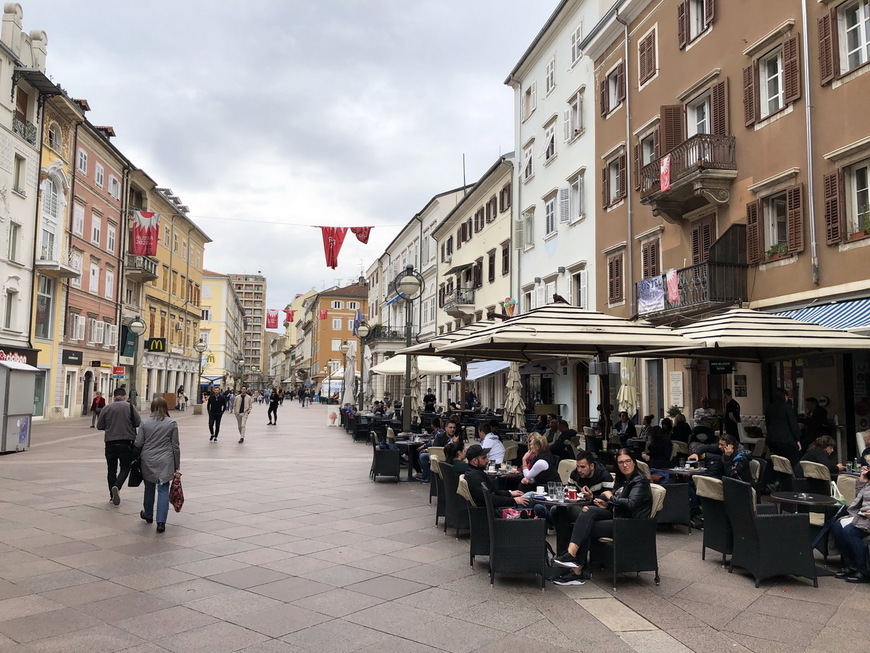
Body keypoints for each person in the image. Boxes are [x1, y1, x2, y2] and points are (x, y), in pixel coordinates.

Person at [552, 449, 652, 585]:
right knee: (588, 511)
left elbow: (631, 504)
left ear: (634, 462)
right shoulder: (623, 479)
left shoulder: (640, 481)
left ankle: (576, 568)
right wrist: (604, 502)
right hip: (617, 515)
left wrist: (611, 498)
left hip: (630, 523)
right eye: (621, 462)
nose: (625, 465)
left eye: (628, 461)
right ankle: (571, 556)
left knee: (588, 526)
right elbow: (618, 501)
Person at [135, 396, 180, 534]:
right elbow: (175, 446)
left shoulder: (145, 423)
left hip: (148, 460)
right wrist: (176, 465)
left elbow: (138, 443)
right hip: (165, 461)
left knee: (149, 488)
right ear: (166, 408)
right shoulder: (171, 423)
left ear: (152, 407)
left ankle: (148, 514)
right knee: (162, 490)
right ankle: (161, 522)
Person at [97, 387, 141, 506]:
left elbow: (99, 426)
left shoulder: (107, 408)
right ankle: (117, 486)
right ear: (124, 396)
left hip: (110, 442)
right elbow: (138, 423)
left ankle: (112, 495)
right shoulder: (130, 407)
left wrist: (110, 425)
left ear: (114, 396)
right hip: (126, 443)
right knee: (125, 467)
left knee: (111, 469)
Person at [832, 464, 870, 583]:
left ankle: (863, 570)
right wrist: (862, 482)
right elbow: (860, 499)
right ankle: (851, 565)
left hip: (866, 518)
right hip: (863, 515)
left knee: (850, 531)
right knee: (837, 526)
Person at [463, 444, 530, 509]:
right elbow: (491, 499)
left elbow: (494, 492)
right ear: (475, 461)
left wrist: (510, 493)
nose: (487, 460)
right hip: (489, 513)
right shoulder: (475, 477)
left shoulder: (476, 472)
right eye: (484, 458)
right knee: (529, 502)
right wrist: (514, 500)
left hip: (491, 509)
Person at [688, 434, 753, 483]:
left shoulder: (741, 457)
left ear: (730, 446)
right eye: (719, 444)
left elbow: (730, 474)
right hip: (728, 482)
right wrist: (696, 453)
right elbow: (707, 447)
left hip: (741, 485)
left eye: (722, 445)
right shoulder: (723, 449)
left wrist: (727, 457)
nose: (719, 447)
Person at [765, 388, 802, 466]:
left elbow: (767, 423)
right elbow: (793, 424)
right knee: (792, 462)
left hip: (772, 439)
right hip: (786, 439)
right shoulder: (787, 408)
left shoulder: (769, 408)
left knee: (778, 462)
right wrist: (797, 439)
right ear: (785, 396)